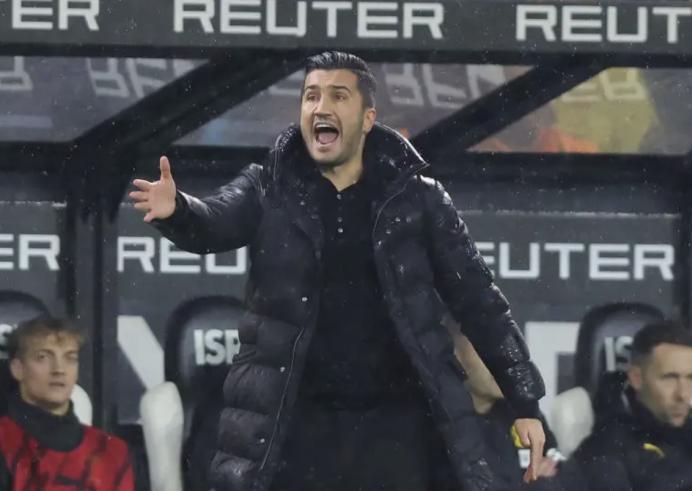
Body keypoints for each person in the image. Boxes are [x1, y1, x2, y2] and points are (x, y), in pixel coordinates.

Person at [130, 51, 546, 491]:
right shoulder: (269, 187)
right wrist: (178, 210)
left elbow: (480, 302)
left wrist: (524, 402)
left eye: (337, 96)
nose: (320, 107)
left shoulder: (418, 199)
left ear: (367, 119)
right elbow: (214, 222)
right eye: (311, 96)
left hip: (396, 427)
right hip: (297, 424)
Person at [573, 320, 692, 490]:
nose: (683, 394)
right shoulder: (608, 447)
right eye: (670, 378)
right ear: (636, 378)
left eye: (691, 378)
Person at [0, 316, 135, 491]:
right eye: (43, 357)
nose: (59, 369)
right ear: (18, 368)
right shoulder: (5, 442)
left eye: (70, 358)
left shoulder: (114, 451)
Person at [450, 320, 587, 490]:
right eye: (484, 354)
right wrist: (535, 484)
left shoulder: (522, 412)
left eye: (503, 352)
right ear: (456, 357)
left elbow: (569, 478)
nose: (499, 364)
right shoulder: (443, 426)